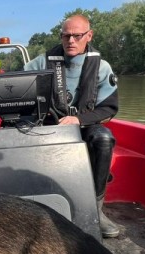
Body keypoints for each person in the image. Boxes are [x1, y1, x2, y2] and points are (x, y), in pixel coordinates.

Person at [25, 13, 120, 238]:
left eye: (77, 36)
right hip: (49, 126)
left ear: (89, 35)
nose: (71, 41)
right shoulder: (41, 62)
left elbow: (109, 108)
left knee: (104, 139)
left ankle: (96, 209)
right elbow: (16, 87)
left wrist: (78, 120)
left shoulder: (102, 67)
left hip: (85, 126)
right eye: (66, 36)